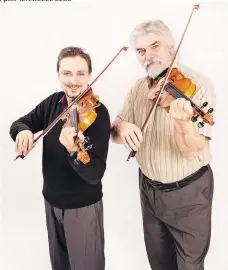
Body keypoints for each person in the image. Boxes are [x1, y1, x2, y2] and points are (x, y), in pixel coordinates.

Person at [111, 20, 216, 270]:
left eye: (155, 46)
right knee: (159, 264)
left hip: (189, 195)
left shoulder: (196, 86)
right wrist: (122, 128)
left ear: (172, 48)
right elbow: (115, 127)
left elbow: (192, 151)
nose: (148, 56)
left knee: (190, 266)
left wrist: (182, 123)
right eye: (141, 51)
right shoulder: (139, 88)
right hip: (149, 191)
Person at [9, 46, 111, 270]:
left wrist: (74, 150)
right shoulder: (53, 103)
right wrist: (24, 131)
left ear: (89, 76)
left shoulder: (98, 114)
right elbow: (19, 123)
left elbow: (95, 173)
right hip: (51, 203)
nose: (73, 80)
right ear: (58, 75)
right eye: (67, 73)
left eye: (80, 73)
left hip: (82, 208)